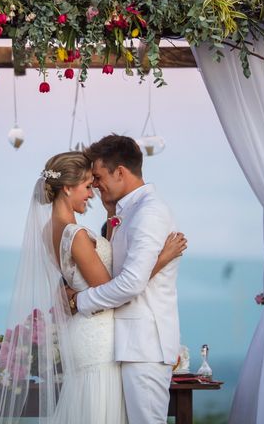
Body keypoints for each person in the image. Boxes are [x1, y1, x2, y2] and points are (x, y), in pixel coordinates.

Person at [0, 151, 185, 423]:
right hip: (98, 337)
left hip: (85, 331)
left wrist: (112, 218)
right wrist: (162, 259)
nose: (92, 193)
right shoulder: (76, 234)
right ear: (67, 188)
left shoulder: (50, 230)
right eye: (87, 186)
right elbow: (112, 289)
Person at [68, 134, 183, 424]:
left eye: (98, 176)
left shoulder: (149, 212)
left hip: (144, 346)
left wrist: (80, 300)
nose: (94, 185)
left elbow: (131, 283)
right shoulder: (125, 211)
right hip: (126, 344)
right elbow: (122, 274)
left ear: (120, 171)